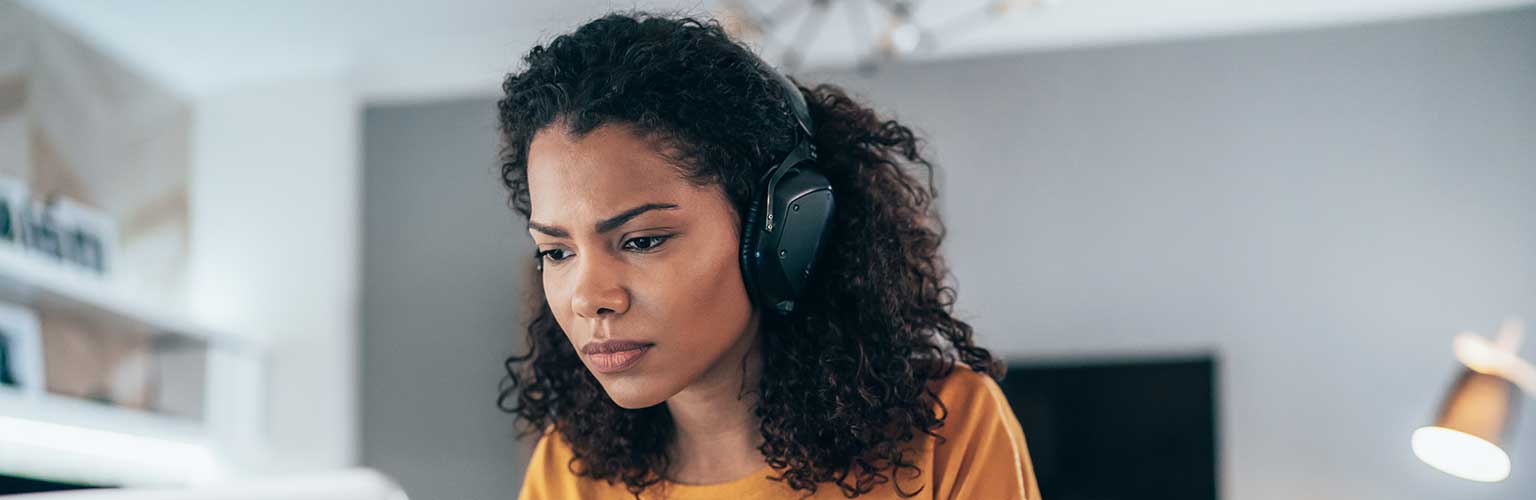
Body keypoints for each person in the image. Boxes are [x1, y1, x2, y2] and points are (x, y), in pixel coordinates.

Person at [496, 12, 1040, 500]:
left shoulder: (948, 428)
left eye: (642, 241)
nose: (589, 298)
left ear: (783, 234)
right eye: (556, 251)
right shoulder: (570, 468)